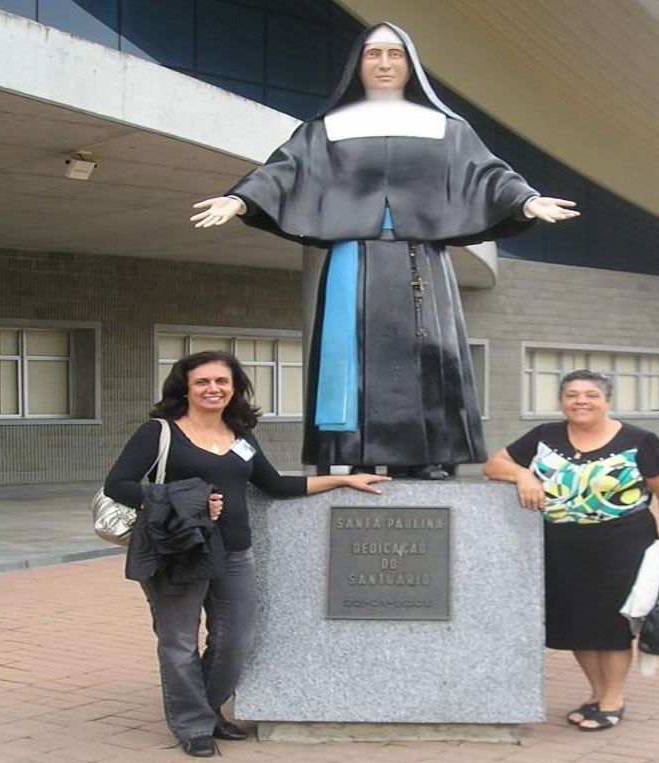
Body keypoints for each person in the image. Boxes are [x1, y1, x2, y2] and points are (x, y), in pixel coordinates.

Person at [190, 22, 579, 480]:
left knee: (429, 354)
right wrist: (241, 199)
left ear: (411, 65)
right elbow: (284, 171)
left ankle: (429, 454)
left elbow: (486, 174)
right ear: (357, 64)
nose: (384, 63)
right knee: (349, 354)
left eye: (395, 54)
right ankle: (354, 453)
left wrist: (525, 200)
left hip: (422, 259)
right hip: (353, 259)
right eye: (373, 54)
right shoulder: (327, 128)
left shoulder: (445, 127)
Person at [104, 350, 388, 758]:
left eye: (222, 381)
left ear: (234, 387)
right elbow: (118, 484)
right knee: (179, 642)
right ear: (185, 388)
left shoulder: (240, 435)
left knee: (237, 639)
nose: (213, 388)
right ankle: (194, 726)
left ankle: (204, 710)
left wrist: (343, 481)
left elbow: (275, 484)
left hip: (234, 552)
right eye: (202, 381)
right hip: (178, 551)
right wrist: (192, 501)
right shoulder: (159, 432)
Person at [483, 370, 659, 732]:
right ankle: (596, 693)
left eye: (591, 395)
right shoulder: (544, 435)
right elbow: (494, 464)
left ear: (607, 401)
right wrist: (523, 475)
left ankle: (613, 699)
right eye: (572, 395)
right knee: (578, 623)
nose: (581, 401)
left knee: (611, 624)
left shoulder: (641, 441)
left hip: (622, 544)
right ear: (561, 401)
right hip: (562, 545)